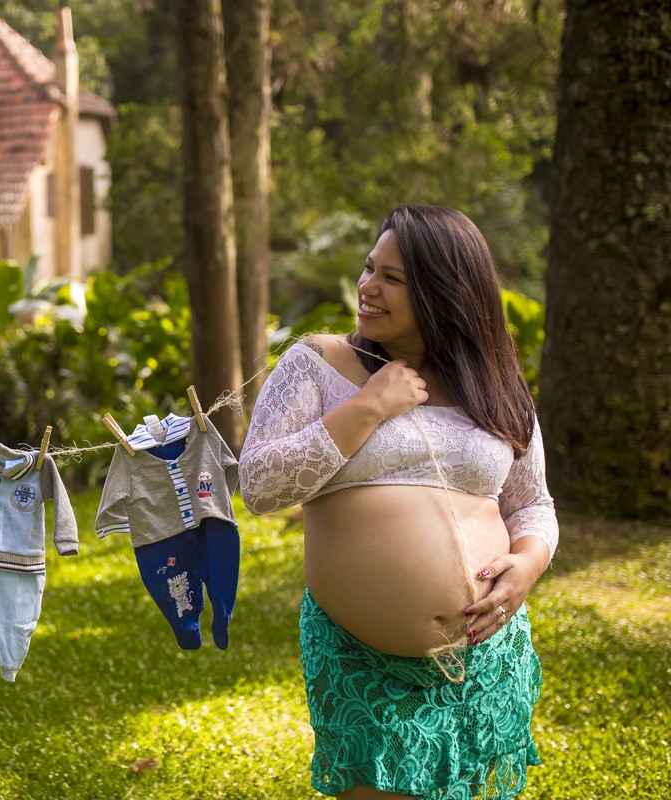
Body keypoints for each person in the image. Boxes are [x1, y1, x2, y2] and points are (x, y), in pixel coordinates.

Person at [239, 204, 558, 799]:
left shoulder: (494, 384)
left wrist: (529, 564)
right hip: (365, 659)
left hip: (486, 655)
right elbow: (258, 484)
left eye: (392, 278)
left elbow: (532, 503)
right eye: (368, 268)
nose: (367, 287)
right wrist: (367, 408)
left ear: (444, 290)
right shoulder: (317, 364)